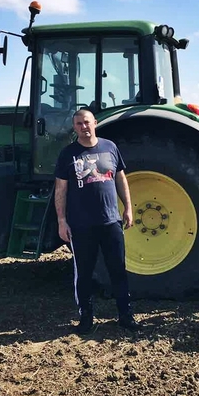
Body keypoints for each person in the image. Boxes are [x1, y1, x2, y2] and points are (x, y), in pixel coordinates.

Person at [53, 108, 142, 334]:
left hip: (111, 221)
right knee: (83, 273)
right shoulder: (68, 154)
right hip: (81, 224)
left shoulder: (110, 147)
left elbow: (121, 178)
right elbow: (61, 189)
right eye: (79, 124)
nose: (84, 127)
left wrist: (129, 208)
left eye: (87, 122)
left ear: (95, 123)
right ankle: (86, 319)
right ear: (75, 127)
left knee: (118, 271)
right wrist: (62, 220)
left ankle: (125, 315)